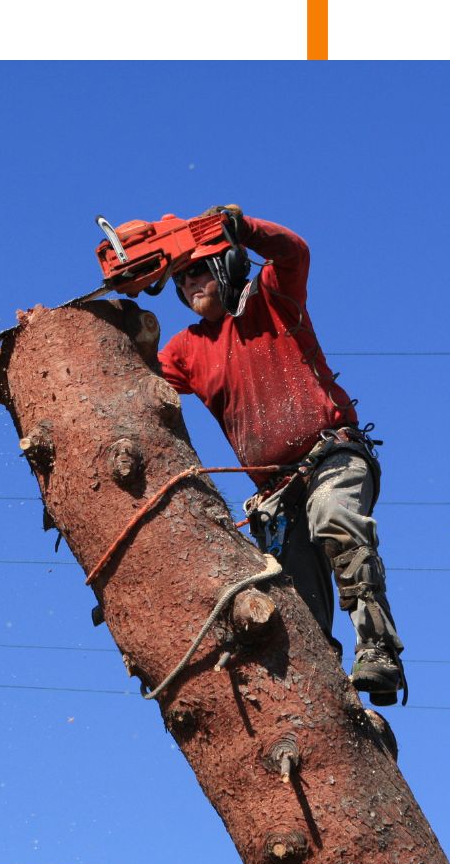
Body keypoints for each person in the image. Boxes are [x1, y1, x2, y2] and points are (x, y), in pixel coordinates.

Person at [157, 205, 406, 707]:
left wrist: (242, 227)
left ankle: (378, 649)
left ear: (227, 264)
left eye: (197, 272)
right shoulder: (185, 349)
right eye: (180, 282)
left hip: (330, 455)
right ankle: (327, 696)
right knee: (293, 602)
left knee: (336, 518)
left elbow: (294, 250)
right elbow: (140, 382)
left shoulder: (273, 296)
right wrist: (124, 312)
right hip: (276, 492)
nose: (189, 288)